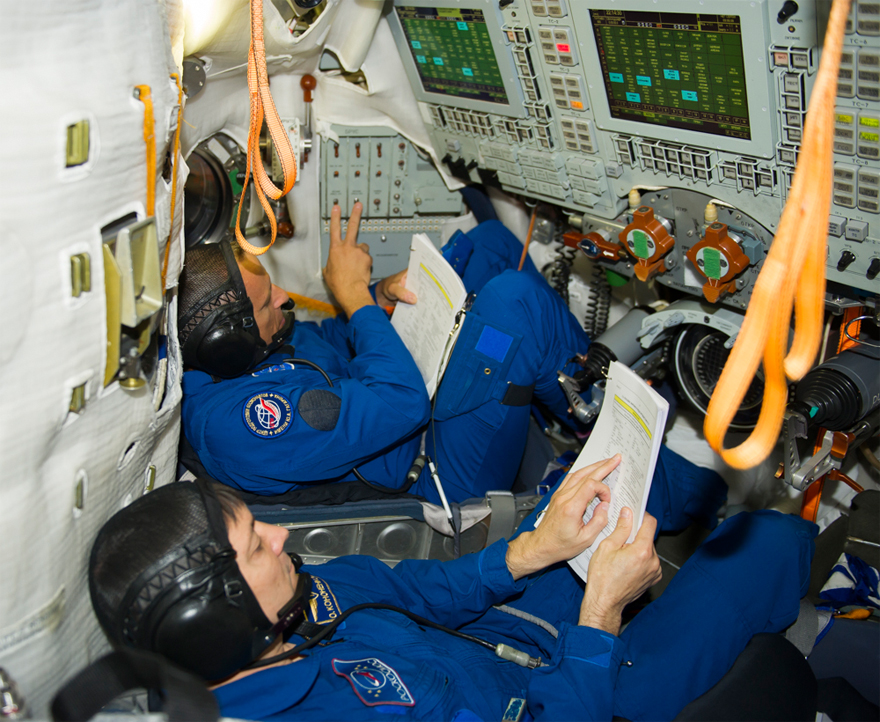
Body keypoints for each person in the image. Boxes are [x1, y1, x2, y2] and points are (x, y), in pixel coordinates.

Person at [88, 464, 818, 720]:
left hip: (504, 635)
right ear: (213, 622)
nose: (280, 538)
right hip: (585, 698)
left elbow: (421, 589)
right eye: (255, 546)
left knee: (605, 484)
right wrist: (600, 614)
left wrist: (537, 550)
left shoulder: (297, 603)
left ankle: (704, 501)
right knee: (774, 541)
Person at [179, 201, 726, 516]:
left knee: (486, 244)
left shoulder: (239, 356)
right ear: (230, 339)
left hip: (392, 414)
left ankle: (570, 402)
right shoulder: (247, 425)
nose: (284, 299)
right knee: (512, 306)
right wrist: (355, 299)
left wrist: (381, 300)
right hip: (430, 481)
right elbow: (401, 404)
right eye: (266, 303)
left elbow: (324, 347)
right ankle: (670, 481)